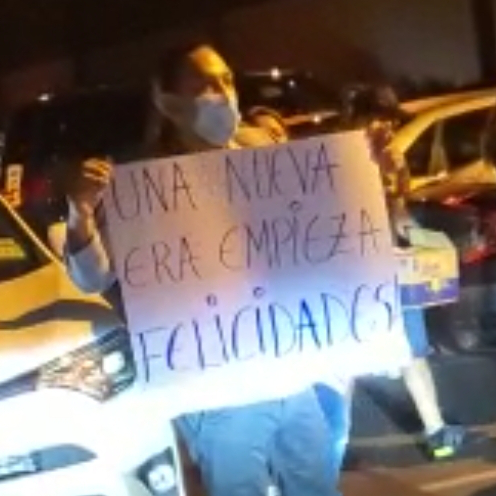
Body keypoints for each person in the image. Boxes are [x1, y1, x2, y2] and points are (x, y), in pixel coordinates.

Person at [62, 40, 351, 496]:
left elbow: (327, 228)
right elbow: (94, 276)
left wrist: (373, 173)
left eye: (227, 80)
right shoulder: (143, 185)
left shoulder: (262, 157)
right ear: (168, 101)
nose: (223, 94)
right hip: (217, 391)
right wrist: (81, 214)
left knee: (317, 486)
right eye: (205, 85)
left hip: (288, 371)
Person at [369, 118, 467, 460]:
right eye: (380, 125)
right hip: (376, 278)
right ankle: (436, 432)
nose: (388, 134)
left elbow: (400, 214)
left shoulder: (387, 164)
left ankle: (436, 431)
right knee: (368, 360)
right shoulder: (353, 168)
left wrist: (416, 240)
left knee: (410, 355)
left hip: (388, 275)